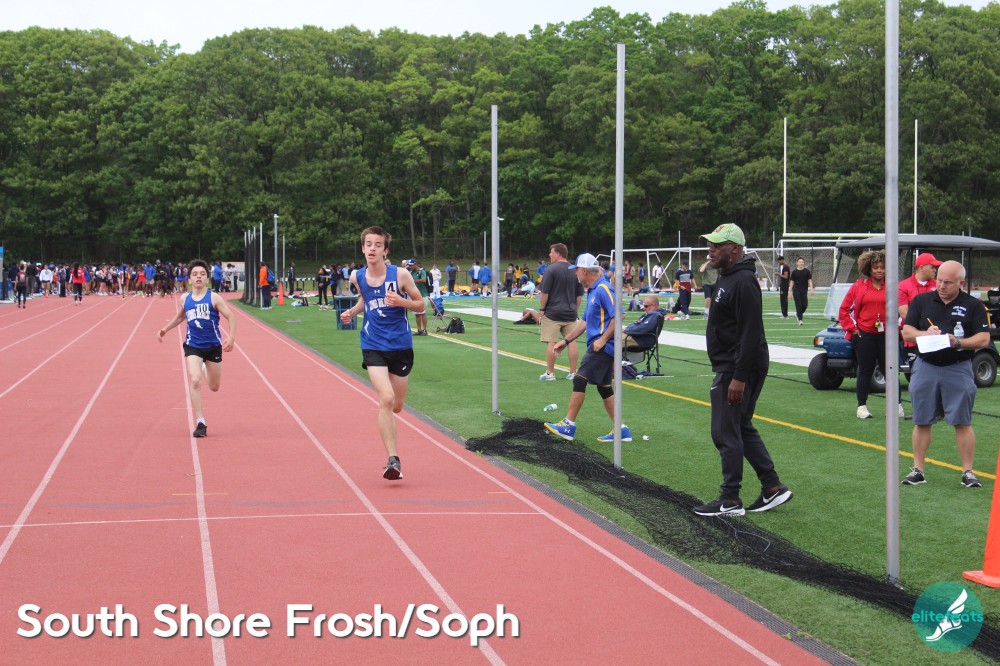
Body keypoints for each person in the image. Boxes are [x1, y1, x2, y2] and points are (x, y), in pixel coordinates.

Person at [694, 224, 792, 517]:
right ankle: (772, 486)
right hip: (734, 364)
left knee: (725, 430)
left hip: (738, 366)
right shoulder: (729, 276)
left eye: (717, 245)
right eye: (710, 244)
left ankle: (730, 499)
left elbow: (750, 333)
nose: (711, 250)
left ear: (734, 249)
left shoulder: (744, 281)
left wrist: (738, 376)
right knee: (740, 425)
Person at [340, 226, 425, 480]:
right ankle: (393, 460)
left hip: (400, 346)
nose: (372, 249)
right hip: (373, 344)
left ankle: (393, 446)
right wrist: (351, 312)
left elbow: (420, 304)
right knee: (386, 399)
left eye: (378, 245)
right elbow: (365, 300)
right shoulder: (357, 276)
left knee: (397, 406)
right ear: (362, 248)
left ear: (385, 250)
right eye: (368, 244)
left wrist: (402, 302)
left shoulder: (400, 275)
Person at [901, 260, 990, 488]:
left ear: (961, 283)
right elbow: (907, 332)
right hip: (926, 365)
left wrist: (957, 342)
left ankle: (968, 472)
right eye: (939, 280)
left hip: (958, 366)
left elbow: (983, 338)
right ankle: (918, 470)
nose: (941, 285)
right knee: (922, 420)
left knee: (962, 421)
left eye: (948, 282)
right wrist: (925, 334)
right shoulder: (921, 300)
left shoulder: (973, 305)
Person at [544, 253, 631, 443]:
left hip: (603, 346)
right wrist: (566, 341)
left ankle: (568, 425)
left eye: (576, 270)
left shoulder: (603, 288)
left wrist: (603, 339)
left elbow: (619, 315)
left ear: (584, 271)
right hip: (601, 345)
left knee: (579, 379)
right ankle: (621, 429)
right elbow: (583, 322)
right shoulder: (593, 290)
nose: (575, 273)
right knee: (604, 387)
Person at [157, 259, 238, 438]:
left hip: (213, 346)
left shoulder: (214, 298)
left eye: (202, 274)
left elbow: (231, 317)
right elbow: (180, 317)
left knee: (214, 387)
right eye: (195, 274)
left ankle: (203, 366)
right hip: (193, 345)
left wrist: (231, 338)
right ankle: (200, 422)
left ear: (207, 279)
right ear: (189, 279)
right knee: (195, 380)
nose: (198, 277)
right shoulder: (185, 298)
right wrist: (165, 329)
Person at [838, 250, 903, 419]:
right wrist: (853, 329)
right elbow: (844, 310)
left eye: (882, 267)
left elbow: (902, 310)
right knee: (865, 370)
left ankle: (896, 405)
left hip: (887, 336)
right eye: (876, 267)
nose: (879, 270)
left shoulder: (893, 287)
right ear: (869, 269)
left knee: (890, 370)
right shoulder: (859, 286)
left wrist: (898, 328)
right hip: (865, 335)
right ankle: (862, 407)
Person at [538, 243, 583, 381]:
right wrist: (574, 310)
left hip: (553, 312)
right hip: (570, 312)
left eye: (551, 252)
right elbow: (579, 295)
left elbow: (544, 293)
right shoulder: (575, 270)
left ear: (558, 253)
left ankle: (550, 373)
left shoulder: (551, 269)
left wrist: (542, 310)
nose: (549, 255)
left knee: (551, 341)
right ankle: (573, 372)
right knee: (572, 341)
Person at [789, 257, 814, 325]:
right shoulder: (794, 272)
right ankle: (800, 319)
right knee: (799, 304)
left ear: (804, 263)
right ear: (797, 263)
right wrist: (790, 291)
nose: (801, 263)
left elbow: (809, 280)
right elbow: (792, 281)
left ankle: (798, 314)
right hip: (796, 290)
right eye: (800, 262)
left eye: (802, 262)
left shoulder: (807, 271)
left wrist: (811, 289)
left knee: (805, 305)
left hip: (804, 290)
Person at [409, 261, 430, 335]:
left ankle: (425, 330)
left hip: (423, 294)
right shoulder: (412, 273)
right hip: (415, 295)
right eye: (409, 265)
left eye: (411, 265)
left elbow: (423, 280)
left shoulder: (421, 271)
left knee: (423, 313)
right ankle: (419, 329)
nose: (410, 267)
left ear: (416, 265)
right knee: (417, 313)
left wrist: (413, 281)